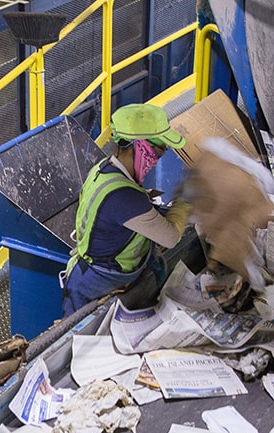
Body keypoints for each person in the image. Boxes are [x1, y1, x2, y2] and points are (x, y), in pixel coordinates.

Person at [62, 103, 192, 316]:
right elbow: (169, 237)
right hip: (91, 286)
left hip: (99, 272)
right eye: (159, 150)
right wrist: (184, 202)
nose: (160, 158)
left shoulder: (104, 168)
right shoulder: (123, 196)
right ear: (138, 146)